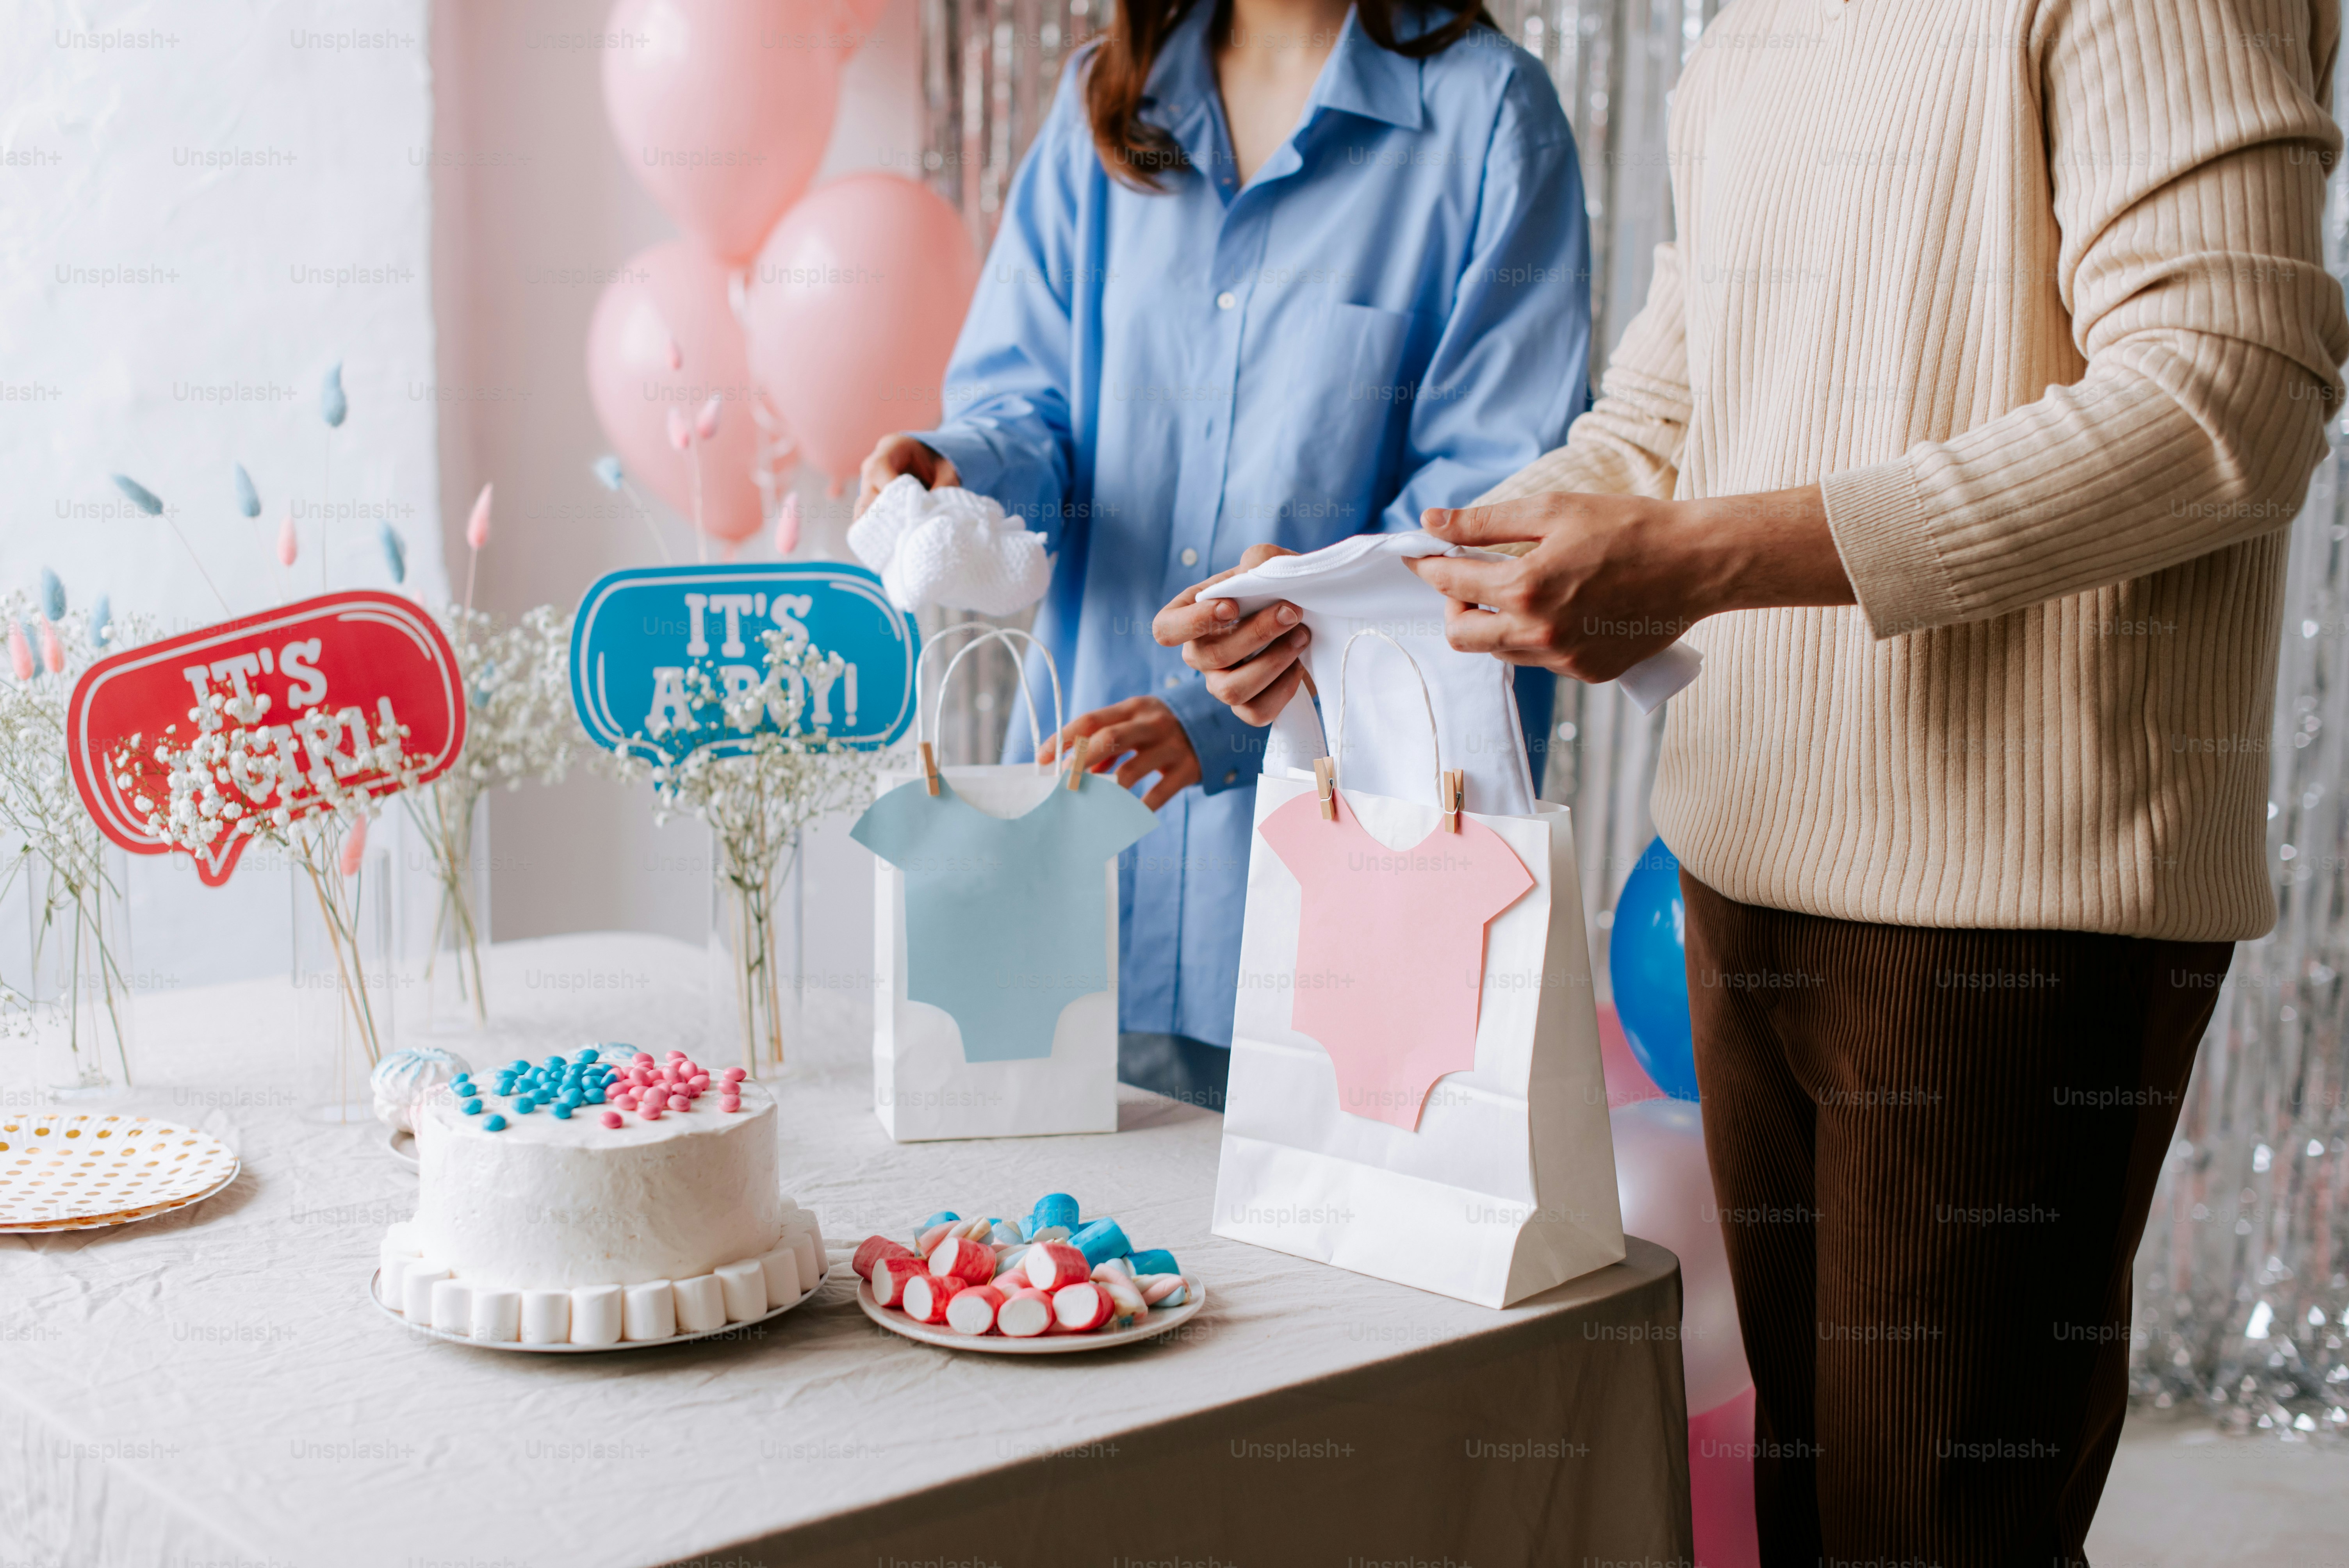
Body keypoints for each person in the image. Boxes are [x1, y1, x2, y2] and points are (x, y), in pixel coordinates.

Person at [1162, 0, 2349, 1559]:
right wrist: (1366, 593)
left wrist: (1710, 556)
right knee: (1809, 1512)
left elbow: (2229, 396)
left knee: (1928, 1529)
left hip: (2006, 902)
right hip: (1740, 862)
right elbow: (1665, 416)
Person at [854, 0, 1590, 1103]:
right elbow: (1032, 406)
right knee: (1070, 1264)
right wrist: (954, 471)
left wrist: (1223, 719)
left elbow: (1482, 516)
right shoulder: (1108, 100)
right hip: (1083, 862)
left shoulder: (1488, 117)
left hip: (1356, 878)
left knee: (1328, 1259)